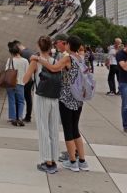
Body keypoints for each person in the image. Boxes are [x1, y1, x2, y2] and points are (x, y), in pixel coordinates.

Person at [36, 35, 89, 172]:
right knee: (75, 128)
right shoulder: (81, 58)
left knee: (68, 129)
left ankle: (72, 161)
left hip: (66, 98)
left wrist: (39, 59)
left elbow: (54, 68)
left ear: (69, 45)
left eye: (66, 44)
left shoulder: (68, 58)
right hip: (78, 99)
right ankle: (82, 160)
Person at [22, 36, 61, 174]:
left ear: (38, 46)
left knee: (43, 128)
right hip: (54, 97)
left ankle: (47, 162)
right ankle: (54, 159)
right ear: (51, 47)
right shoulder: (55, 61)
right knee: (53, 129)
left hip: (41, 97)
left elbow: (25, 79)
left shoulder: (36, 61)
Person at [5, 41, 28, 126]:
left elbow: (6, 70)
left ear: (11, 52)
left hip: (11, 83)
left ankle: (13, 118)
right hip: (20, 83)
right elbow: (27, 72)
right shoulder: (25, 61)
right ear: (19, 51)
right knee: (21, 101)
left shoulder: (10, 60)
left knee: (12, 100)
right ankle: (20, 118)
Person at [15, 41, 33, 123]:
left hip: (23, 79)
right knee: (28, 98)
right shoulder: (30, 51)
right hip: (30, 79)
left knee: (19, 99)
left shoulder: (22, 54)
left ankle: (18, 116)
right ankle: (28, 116)